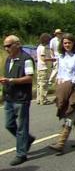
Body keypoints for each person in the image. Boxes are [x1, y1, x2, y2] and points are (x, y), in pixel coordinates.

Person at [1, 35, 36, 166]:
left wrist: (11, 80)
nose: (6, 48)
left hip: (21, 98)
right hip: (9, 97)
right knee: (9, 125)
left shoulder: (26, 59)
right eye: (4, 46)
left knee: (22, 127)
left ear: (17, 44)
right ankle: (27, 140)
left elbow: (29, 78)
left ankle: (21, 154)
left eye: (8, 46)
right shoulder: (9, 59)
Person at [49, 33, 75, 154]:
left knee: (70, 111)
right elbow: (60, 71)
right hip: (63, 86)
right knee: (73, 111)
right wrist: (59, 82)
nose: (67, 45)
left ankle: (61, 142)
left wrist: (73, 83)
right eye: (65, 43)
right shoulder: (62, 56)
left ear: (74, 43)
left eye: (69, 42)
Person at [36, 33, 53, 105]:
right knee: (44, 84)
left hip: (39, 67)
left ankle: (39, 99)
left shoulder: (39, 47)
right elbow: (43, 58)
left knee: (39, 84)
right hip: (44, 68)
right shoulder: (43, 48)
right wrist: (52, 59)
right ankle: (43, 99)